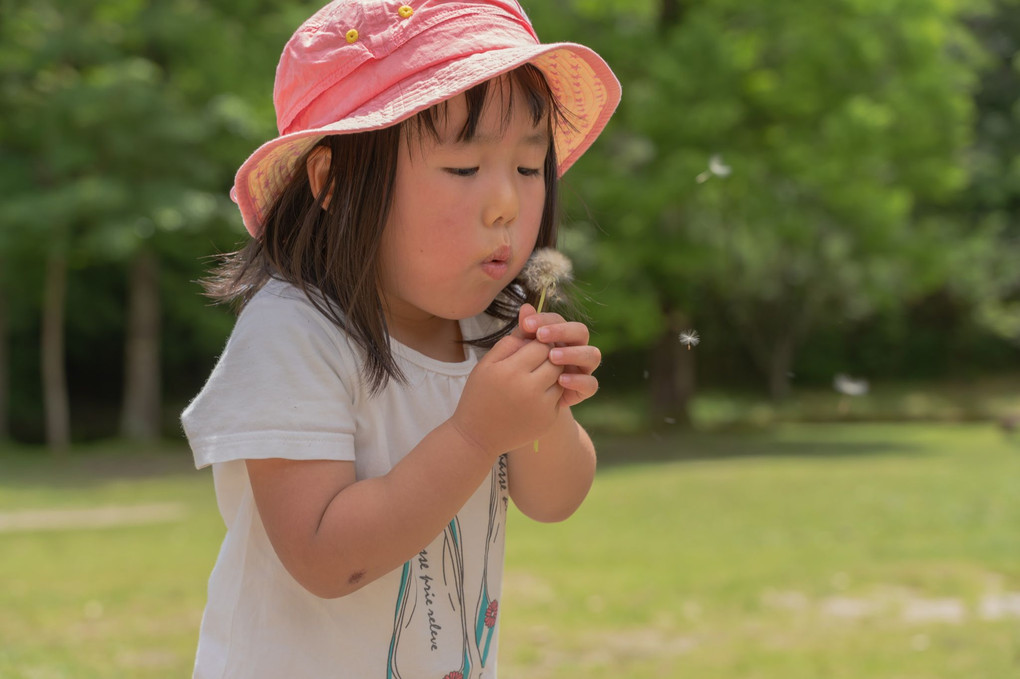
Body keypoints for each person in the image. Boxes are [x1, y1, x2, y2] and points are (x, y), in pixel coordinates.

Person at [181, 1, 620, 677]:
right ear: (333, 181)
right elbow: (327, 556)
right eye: (463, 169)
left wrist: (545, 411)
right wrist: (476, 433)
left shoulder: (489, 327)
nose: (506, 202)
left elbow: (554, 499)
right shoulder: (294, 333)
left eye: (529, 168)